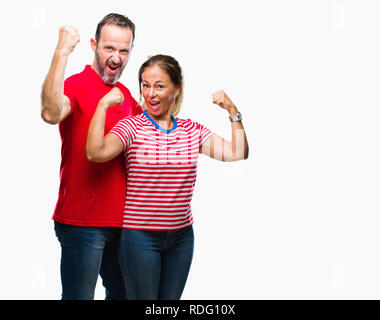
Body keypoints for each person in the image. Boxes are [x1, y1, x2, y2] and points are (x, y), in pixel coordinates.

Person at [86, 54, 249, 299]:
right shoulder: (132, 127)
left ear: (176, 89)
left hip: (181, 239)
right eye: (145, 85)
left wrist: (233, 111)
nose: (150, 93)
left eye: (159, 86)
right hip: (140, 238)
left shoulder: (191, 131)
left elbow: (237, 152)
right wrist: (102, 106)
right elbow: (95, 152)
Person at [40, 13, 142, 300]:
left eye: (123, 50)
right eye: (109, 48)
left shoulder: (124, 94)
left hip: (123, 224)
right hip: (81, 222)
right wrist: (61, 52)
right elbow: (50, 112)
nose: (116, 57)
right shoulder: (76, 84)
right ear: (94, 45)